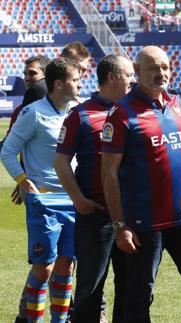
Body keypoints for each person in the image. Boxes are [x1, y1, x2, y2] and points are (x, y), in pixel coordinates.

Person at [100, 46, 181, 323]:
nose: (161, 73)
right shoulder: (121, 113)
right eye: (153, 67)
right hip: (143, 225)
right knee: (139, 294)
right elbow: (109, 174)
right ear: (137, 72)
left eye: (165, 67)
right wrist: (119, 224)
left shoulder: (179, 106)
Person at [0, 57, 82, 323]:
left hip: (73, 199)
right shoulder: (33, 112)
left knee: (66, 265)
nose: (80, 84)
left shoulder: (78, 110)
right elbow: (8, 150)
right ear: (59, 83)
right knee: (44, 268)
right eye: (75, 79)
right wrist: (23, 180)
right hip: (44, 201)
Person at [54, 54, 135, 322]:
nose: (133, 80)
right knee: (90, 288)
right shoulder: (80, 115)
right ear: (112, 78)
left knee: (131, 288)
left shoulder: (133, 112)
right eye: (128, 75)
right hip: (95, 216)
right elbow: (61, 161)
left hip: (129, 217)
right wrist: (78, 199)